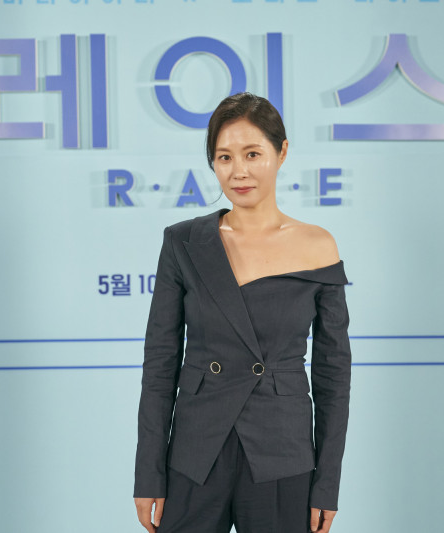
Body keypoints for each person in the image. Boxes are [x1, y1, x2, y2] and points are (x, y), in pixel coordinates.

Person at [133, 92, 352, 533]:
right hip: (196, 452)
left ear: (281, 152)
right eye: (224, 157)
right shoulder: (184, 242)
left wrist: (326, 483)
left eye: (252, 154)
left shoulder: (317, 246)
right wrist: (148, 475)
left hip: (282, 451)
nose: (239, 171)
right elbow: (159, 364)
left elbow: (333, 374)